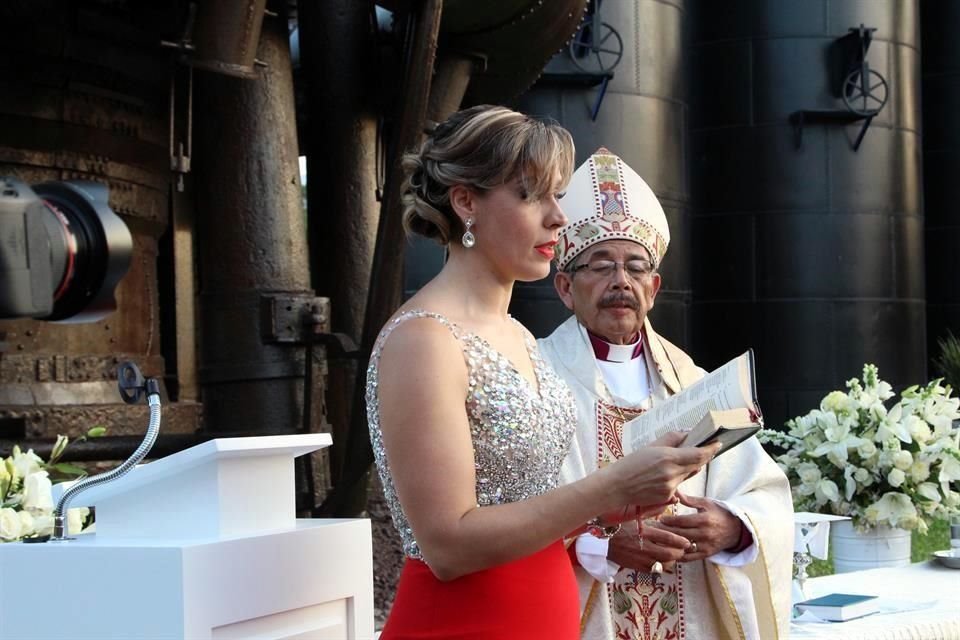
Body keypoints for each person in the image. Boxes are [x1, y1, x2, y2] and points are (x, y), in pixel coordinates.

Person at [366, 107, 718, 640]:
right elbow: (448, 547)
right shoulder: (424, 340)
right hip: (466, 624)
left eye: (558, 196)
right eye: (534, 195)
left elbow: (527, 502)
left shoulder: (519, 336)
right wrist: (607, 488)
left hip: (545, 615)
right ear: (466, 203)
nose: (559, 217)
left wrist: (623, 503)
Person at [538, 147, 794, 640]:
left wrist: (734, 527)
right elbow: (511, 515)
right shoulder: (538, 378)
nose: (621, 282)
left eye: (636, 268)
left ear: (654, 288)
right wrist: (600, 546)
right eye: (601, 266)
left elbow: (766, 493)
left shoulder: (695, 383)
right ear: (565, 288)